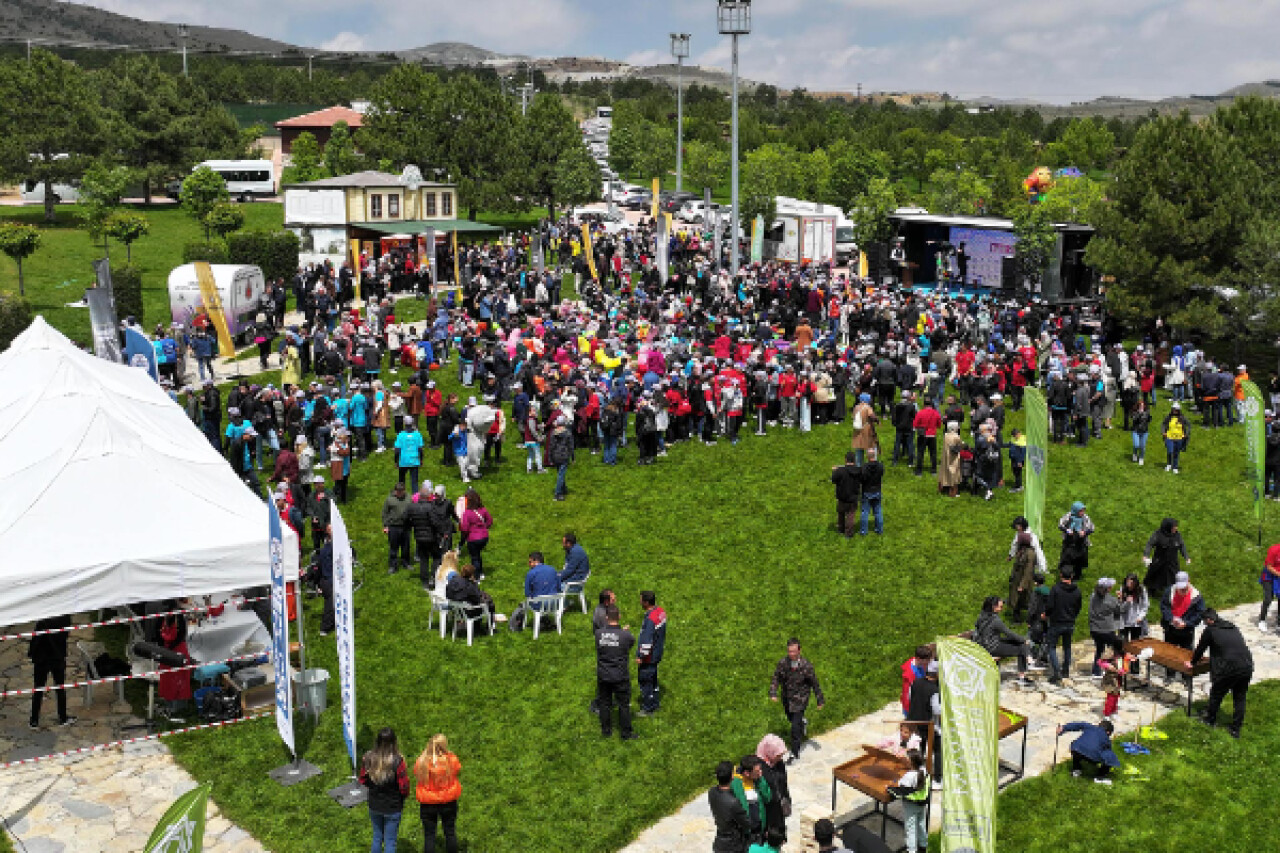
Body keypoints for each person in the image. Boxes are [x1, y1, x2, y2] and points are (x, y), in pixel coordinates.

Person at [1188, 608, 1254, 738]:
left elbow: (1201, 648)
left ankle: (1210, 720)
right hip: (1246, 666)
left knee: (1216, 693)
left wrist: (1192, 663)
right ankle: (1236, 730)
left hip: (1228, 668)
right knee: (1240, 697)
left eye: (1205, 622)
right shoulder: (1232, 627)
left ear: (1209, 620)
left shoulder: (1211, 630)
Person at [770, 638, 825, 762]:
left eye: (794, 651)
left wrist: (819, 699)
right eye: (789, 651)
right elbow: (776, 677)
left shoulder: (806, 666)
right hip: (787, 698)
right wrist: (773, 692)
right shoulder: (783, 663)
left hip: (800, 700)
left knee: (795, 728)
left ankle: (794, 754)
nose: (791, 654)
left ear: (799, 650)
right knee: (791, 719)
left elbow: (814, 683)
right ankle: (802, 722)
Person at [359, 727, 409, 853]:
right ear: (394, 742)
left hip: (374, 804)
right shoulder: (398, 761)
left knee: (377, 837)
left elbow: (363, 780)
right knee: (390, 841)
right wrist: (402, 797)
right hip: (392, 806)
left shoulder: (368, 757)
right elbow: (404, 787)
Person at [595, 604, 637, 740]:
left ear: (607, 618)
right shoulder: (626, 636)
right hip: (620, 676)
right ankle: (626, 733)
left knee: (604, 703)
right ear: (619, 617)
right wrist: (622, 632)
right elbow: (630, 643)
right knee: (623, 705)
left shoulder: (598, 634)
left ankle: (606, 731)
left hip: (604, 675)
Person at [414, 734, 462, 853]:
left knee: (429, 835)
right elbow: (457, 769)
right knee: (450, 832)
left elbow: (416, 773)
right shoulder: (451, 759)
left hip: (428, 802)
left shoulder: (423, 761)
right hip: (448, 800)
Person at [28, 614, 76, 729]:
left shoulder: (42, 620)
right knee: (60, 688)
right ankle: (62, 718)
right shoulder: (65, 618)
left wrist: (32, 654)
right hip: (57, 657)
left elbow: (36, 639)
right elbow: (65, 636)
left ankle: (34, 720)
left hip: (42, 659)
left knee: (38, 689)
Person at [973, 596, 1034, 683]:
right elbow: (1008, 633)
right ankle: (1024, 671)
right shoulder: (995, 620)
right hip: (993, 647)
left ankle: (1029, 659)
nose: (1002, 609)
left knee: (1020, 643)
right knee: (1021, 647)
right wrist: (1023, 640)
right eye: (1000, 607)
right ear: (994, 607)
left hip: (985, 645)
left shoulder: (981, 616)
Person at [1044, 567, 1082, 686]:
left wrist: (1046, 614)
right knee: (1067, 647)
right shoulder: (1077, 591)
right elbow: (1078, 607)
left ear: (1061, 575)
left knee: (1051, 647)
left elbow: (1050, 606)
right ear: (1071, 576)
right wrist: (1072, 616)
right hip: (1069, 622)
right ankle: (1065, 670)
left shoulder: (1055, 589)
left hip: (1056, 622)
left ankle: (1056, 672)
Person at [887, 748, 930, 853]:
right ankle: (923, 845)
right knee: (921, 824)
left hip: (911, 806)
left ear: (910, 763)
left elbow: (901, 791)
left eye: (905, 759)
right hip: (922, 803)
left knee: (910, 828)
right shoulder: (924, 771)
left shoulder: (909, 776)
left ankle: (912, 850)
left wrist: (889, 788)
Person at [907, 659, 942, 785]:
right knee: (938, 750)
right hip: (929, 725)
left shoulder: (915, 682)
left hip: (914, 723)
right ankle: (938, 779)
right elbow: (937, 710)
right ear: (937, 674)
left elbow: (909, 698)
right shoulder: (934, 689)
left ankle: (918, 776)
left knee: (919, 749)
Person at [1058, 719, 1119, 784]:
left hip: (1075, 749)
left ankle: (1076, 770)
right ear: (1108, 732)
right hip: (1091, 756)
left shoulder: (1090, 727)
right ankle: (1100, 777)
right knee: (1110, 756)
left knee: (1078, 747)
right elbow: (1107, 753)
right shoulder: (1107, 739)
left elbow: (1077, 724)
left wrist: (1063, 728)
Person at [1142, 517, 1190, 600]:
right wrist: (1146, 555)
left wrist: (1186, 557)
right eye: (1174, 527)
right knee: (1155, 576)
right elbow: (1149, 544)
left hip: (1172, 562)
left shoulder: (1177, 535)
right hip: (1159, 561)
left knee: (1173, 577)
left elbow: (1182, 546)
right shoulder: (1158, 534)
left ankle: (1172, 592)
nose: (1176, 528)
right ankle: (1151, 591)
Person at [709, 760, 752, 853]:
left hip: (720, 839)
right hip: (733, 845)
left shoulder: (711, 792)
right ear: (732, 777)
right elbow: (747, 823)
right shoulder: (733, 802)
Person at [755, 735, 790, 845]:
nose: (780, 757)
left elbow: (783, 782)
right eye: (778, 755)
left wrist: (787, 799)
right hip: (769, 810)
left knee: (780, 834)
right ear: (769, 752)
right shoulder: (759, 768)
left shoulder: (779, 764)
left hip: (779, 808)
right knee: (771, 838)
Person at [636, 590, 667, 715]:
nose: (640, 602)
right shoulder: (661, 612)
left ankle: (648, 707)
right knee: (653, 678)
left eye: (641, 600)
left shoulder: (650, 619)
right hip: (657, 653)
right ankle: (655, 702)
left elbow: (647, 641)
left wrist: (641, 657)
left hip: (649, 656)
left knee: (645, 680)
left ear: (646, 602)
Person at [731, 755, 773, 846]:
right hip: (745, 833)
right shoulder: (736, 784)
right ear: (747, 773)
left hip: (759, 828)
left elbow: (767, 797)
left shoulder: (758, 779)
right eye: (757, 771)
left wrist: (761, 781)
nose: (760, 773)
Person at [1160, 570, 1205, 652]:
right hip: (1171, 630)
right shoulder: (1169, 592)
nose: (1182, 589)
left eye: (1184, 587)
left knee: (1186, 654)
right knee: (1169, 653)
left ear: (1189, 581)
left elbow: (1199, 614)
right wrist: (1171, 618)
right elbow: (1164, 607)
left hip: (1187, 631)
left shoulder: (1196, 596)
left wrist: (1186, 623)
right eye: (1180, 587)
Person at [1087, 578, 1123, 677]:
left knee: (1099, 649)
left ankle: (1096, 671)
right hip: (1107, 630)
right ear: (1109, 588)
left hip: (1094, 629)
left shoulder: (1093, 597)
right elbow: (1119, 611)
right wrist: (1120, 599)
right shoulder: (1111, 600)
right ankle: (1119, 668)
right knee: (1117, 649)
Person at [458, 489, 492, 579]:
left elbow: (464, 528)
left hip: (473, 539)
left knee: (474, 558)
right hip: (484, 537)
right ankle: (481, 573)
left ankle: (476, 577)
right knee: (478, 554)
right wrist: (484, 528)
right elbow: (490, 521)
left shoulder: (467, 513)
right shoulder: (483, 510)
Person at [1057, 500, 1094, 581]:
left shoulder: (1085, 518)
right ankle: (1066, 573)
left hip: (1080, 543)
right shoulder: (1068, 516)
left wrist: (1084, 532)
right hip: (1069, 542)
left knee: (1079, 560)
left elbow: (1091, 528)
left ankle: (1077, 575)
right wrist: (1067, 530)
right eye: (1080, 511)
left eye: (1083, 510)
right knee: (1067, 559)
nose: (1082, 512)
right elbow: (1060, 525)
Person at [381, 482, 412, 575]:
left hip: (406, 526)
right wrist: (385, 526)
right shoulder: (389, 500)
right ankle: (393, 566)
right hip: (393, 527)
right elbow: (384, 513)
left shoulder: (409, 498)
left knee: (406, 546)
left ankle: (405, 562)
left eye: (401, 491)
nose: (400, 493)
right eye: (398, 491)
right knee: (393, 547)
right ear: (395, 491)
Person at [1008, 532, 1038, 623]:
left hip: (1023, 581)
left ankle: (1025, 619)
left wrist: (1022, 585)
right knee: (1015, 599)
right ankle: (1016, 616)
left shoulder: (1030, 553)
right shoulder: (1021, 550)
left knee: (1022, 599)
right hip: (1017, 579)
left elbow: (1028, 571)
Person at [830, 452, 861, 538]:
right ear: (854, 460)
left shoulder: (840, 471)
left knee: (841, 513)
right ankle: (849, 533)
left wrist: (835, 470)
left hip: (842, 497)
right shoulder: (858, 471)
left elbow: (833, 480)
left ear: (845, 460)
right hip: (853, 497)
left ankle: (841, 529)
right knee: (851, 516)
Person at [393, 417, 424, 495]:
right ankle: (415, 499)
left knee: (401, 481)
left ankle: (401, 496)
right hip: (414, 460)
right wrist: (421, 459)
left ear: (404, 423)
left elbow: (397, 450)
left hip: (403, 461)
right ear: (412, 423)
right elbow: (420, 449)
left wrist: (396, 461)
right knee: (414, 482)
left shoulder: (400, 435)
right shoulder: (417, 435)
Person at [859, 448, 885, 535]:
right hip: (877, 490)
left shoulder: (864, 467)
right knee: (878, 511)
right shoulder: (880, 466)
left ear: (867, 456)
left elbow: (862, 479)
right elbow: (881, 474)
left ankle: (863, 531)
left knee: (865, 512)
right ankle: (879, 529)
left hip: (866, 491)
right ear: (875, 455)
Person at [850, 393, 879, 466]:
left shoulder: (856, 407)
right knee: (871, 447)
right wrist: (877, 420)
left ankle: (859, 465)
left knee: (859, 448)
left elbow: (853, 417)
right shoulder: (868, 407)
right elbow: (871, 416)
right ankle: (872, 464)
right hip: (867, 430)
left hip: (858, 430)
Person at [1161, 402, 1190, 472]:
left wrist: (1186, 433)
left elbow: (1189, 425)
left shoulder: (1182, 418)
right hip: (1169, 437)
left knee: (1176, 453)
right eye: (1174, 409)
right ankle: (1169, 464)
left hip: (1179, 438)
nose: (1175, 411)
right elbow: (1163, 424)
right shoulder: (1168, 417)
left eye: (1176, 410)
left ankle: (1175, 467)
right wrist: (1163, 432)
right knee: (1170, 451)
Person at [1259, 543, 1280, 632]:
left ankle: (1279, 622)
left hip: (1278, 576)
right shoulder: (1274, 550)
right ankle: (1262, 620)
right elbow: (1269, 567)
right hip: (1269, 577)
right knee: (1268, 599)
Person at [939, 421, 963, 497]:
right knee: (954, 472)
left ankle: (942, 487)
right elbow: (961, 445)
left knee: (945, 471)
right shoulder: (956, 437)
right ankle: (953, 491)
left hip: (946, 456)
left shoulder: (946, 435)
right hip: (953, 457)